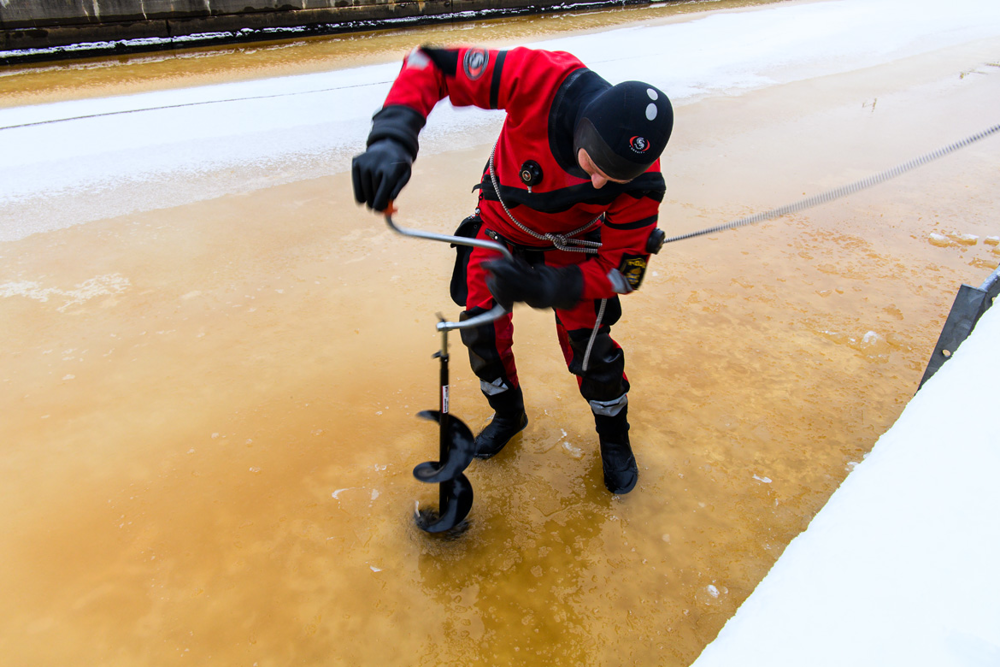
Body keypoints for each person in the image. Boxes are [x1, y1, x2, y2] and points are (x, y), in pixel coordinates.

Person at [352, 45, 673, 494]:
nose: (600, 183)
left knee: (592, 351)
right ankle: (508, 413)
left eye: (614, 179)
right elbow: (430, 65)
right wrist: (392, 137)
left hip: (575, 247)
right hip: (500, 229)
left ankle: (614, 435)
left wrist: (552, 285)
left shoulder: (643, 181)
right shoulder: (540, 78)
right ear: (583, 128)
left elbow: (624, 272)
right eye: (595, 167)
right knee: (481, 332)